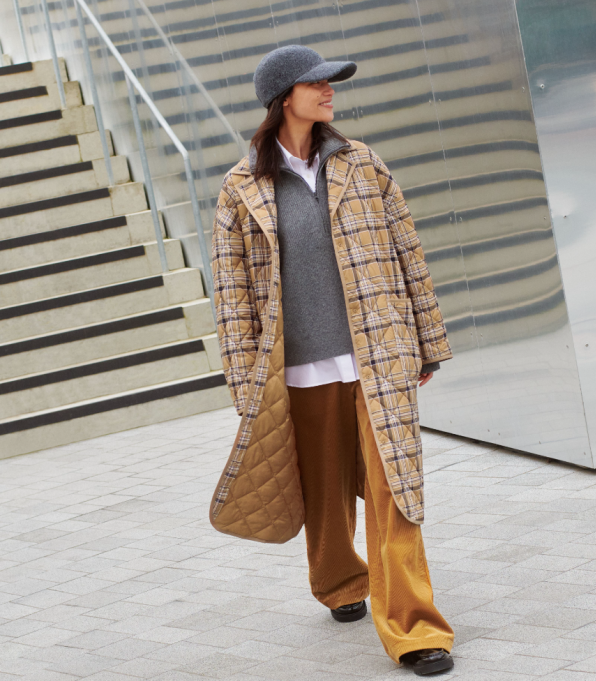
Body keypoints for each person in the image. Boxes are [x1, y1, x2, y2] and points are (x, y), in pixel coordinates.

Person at [208, 44, 455, 676]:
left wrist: (428, 340)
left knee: (395, 490)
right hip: (298, 370)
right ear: (283, 98)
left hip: (379, 354)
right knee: (324, 490)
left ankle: (414, 628)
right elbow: (232, 297)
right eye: (317, 83)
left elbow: (407, 249)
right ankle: (341, 580)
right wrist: (245, 385)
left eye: (330, 82)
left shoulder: (362, 163)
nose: (329, 91)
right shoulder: (241, 188)